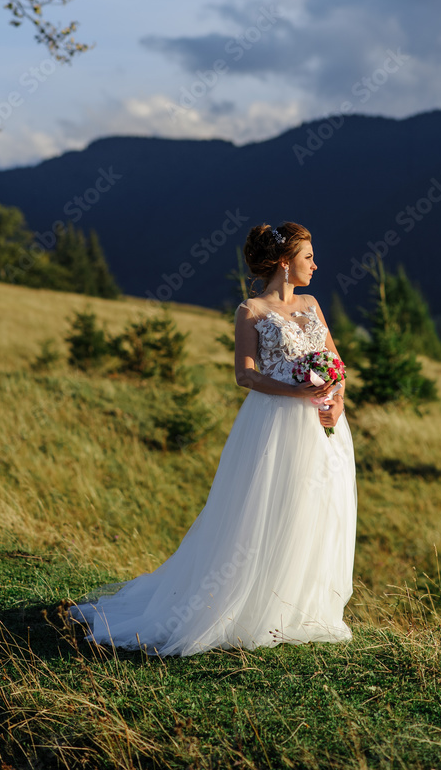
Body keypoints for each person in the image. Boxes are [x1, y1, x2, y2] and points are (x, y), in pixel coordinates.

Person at [66, 221, 357, 656]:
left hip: (323, 421)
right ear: (284, 262)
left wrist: (339, 400)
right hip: (275, 422)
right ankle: (252, 606)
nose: (315, 264)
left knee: (319, 505)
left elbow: (336, 361)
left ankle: (303, 607)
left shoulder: (312, 304)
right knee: (268, 506)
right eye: (308, 257)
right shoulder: (251, 312)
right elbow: (245, 374)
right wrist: (296, 390)